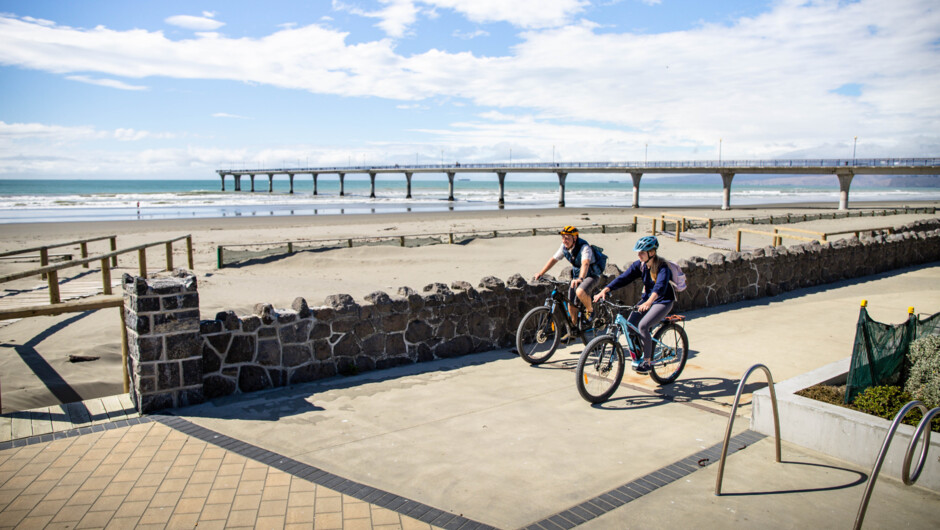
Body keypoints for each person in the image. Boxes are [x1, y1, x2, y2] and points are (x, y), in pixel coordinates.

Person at [593, 236, 674, 374]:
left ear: (652, 252)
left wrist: (649, 302)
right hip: (647, 300)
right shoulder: (640, 265)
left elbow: (659, 287)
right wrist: (606, 289)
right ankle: (640, 352)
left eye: (642, 252)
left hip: (662, 301)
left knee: (643, 325)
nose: (639, 255)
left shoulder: (662, 267)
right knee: (630, 326)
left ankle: (647, 362)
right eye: (638, 252)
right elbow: (624, 278)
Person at [534, 226, 601, 340]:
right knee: (571, 305)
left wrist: (580, 278)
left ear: (575, 238)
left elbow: (585, 263)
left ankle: (590, 311)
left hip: (591, 276)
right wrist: (541, 273)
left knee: (580, 291)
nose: (564, 240)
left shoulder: (584, 248)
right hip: (576, 277)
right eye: (563, 238)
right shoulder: (564, 247)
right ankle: (572, 332)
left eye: (567, 238)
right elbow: (554, 259)